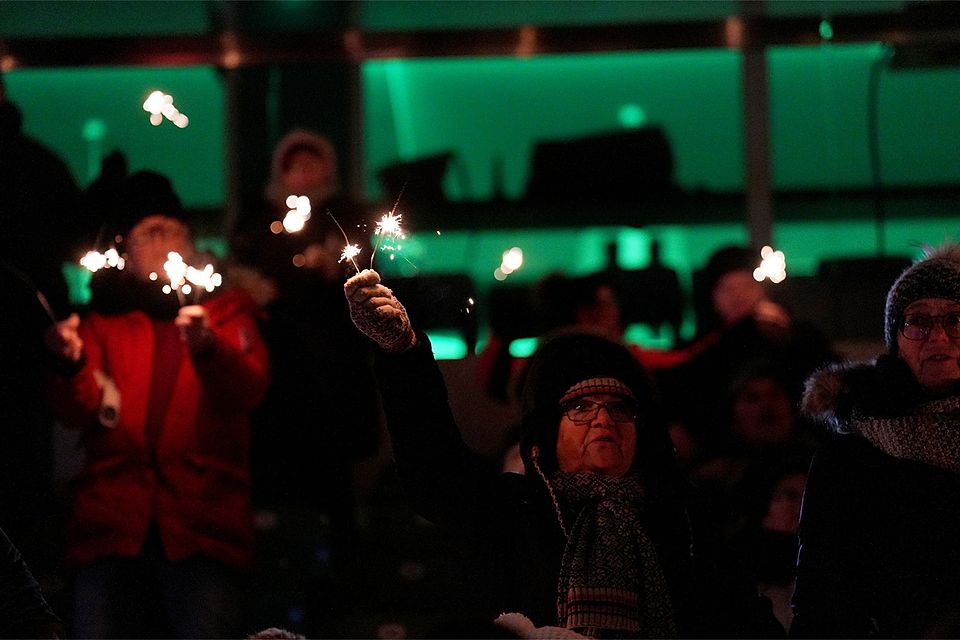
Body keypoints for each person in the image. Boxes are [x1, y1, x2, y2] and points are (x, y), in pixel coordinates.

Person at [344, 269, 782, 638]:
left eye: (618, 408)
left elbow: (746, 620)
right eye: (581, 408)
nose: (603, 420)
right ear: (546, 437)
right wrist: (404, 355)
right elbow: (433, 469)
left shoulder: (682, 516)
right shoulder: (514, 510)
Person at [44, 171, 270, 638]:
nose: (167, 242)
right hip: (111, 526)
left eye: (175, 230)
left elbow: (247, 388)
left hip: (201, 523)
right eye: (151, 232)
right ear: (125, 249)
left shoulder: (224, 311)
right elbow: (77, 409)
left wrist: (210, 347)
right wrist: (70, 364)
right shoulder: (102, 322)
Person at [228, 129, 381, 635]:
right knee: (281, 499)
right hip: (279, 388)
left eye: (314, 163)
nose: (306, 174)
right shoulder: (257, 224)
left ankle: (337, 604)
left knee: (334, 498)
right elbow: (250, 284)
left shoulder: (346, 220)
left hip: (332, 389)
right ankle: (280, 600)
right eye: (297, 165)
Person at [791, 243, 960, 638]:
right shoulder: (852, 451)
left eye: (955, 319)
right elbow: (822, 600)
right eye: (918, 322)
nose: (938, 337)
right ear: (896, 338)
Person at [659, 245, 836, 460]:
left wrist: (790, 338)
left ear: (762, 290)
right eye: (727, 288)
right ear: (712, 297)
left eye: (745, 285)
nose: (737, 296)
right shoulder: (700, 347)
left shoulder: (794, 335)